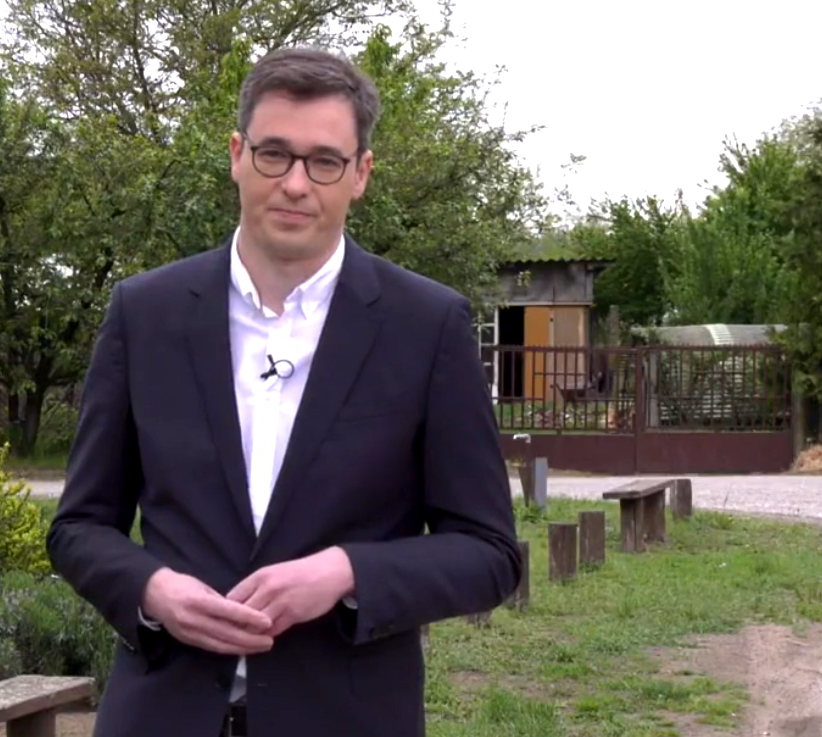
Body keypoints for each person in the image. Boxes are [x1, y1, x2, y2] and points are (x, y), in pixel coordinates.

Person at [46, 45, 523, 737]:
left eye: (324, 161)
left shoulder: (427, 326)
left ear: (361, 174)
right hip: (161, 715)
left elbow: (489, 553)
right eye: (274, 154)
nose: (296, 184)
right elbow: (79, 527)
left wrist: (346, 571)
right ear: (237, 155)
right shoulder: (144, 314)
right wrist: (152, 589)